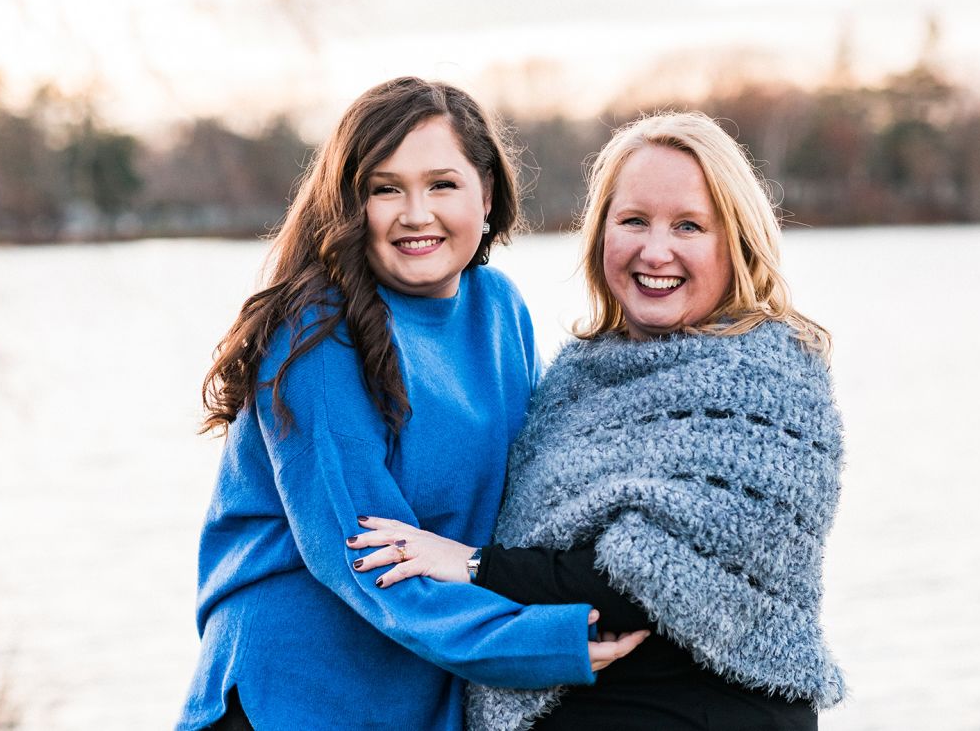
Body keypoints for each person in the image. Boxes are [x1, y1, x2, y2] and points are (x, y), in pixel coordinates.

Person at [176, 77, 647, 731]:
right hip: (294, 694)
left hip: (422, 685)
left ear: (486, 193)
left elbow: (536, 497)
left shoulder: (499, 308)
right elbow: (371, 560)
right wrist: (544, 640)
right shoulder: (316, 334)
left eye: (442, 184)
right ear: (349, 204)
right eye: (385, 187)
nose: (416, 212)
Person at [349, 111, 846, 730]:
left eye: (688, 225)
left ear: (736, 241)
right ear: (601, 235)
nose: (654, 250)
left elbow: (647, 579)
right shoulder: (574, 381)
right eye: (633, 221)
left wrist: (471, 564)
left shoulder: (770, 380)